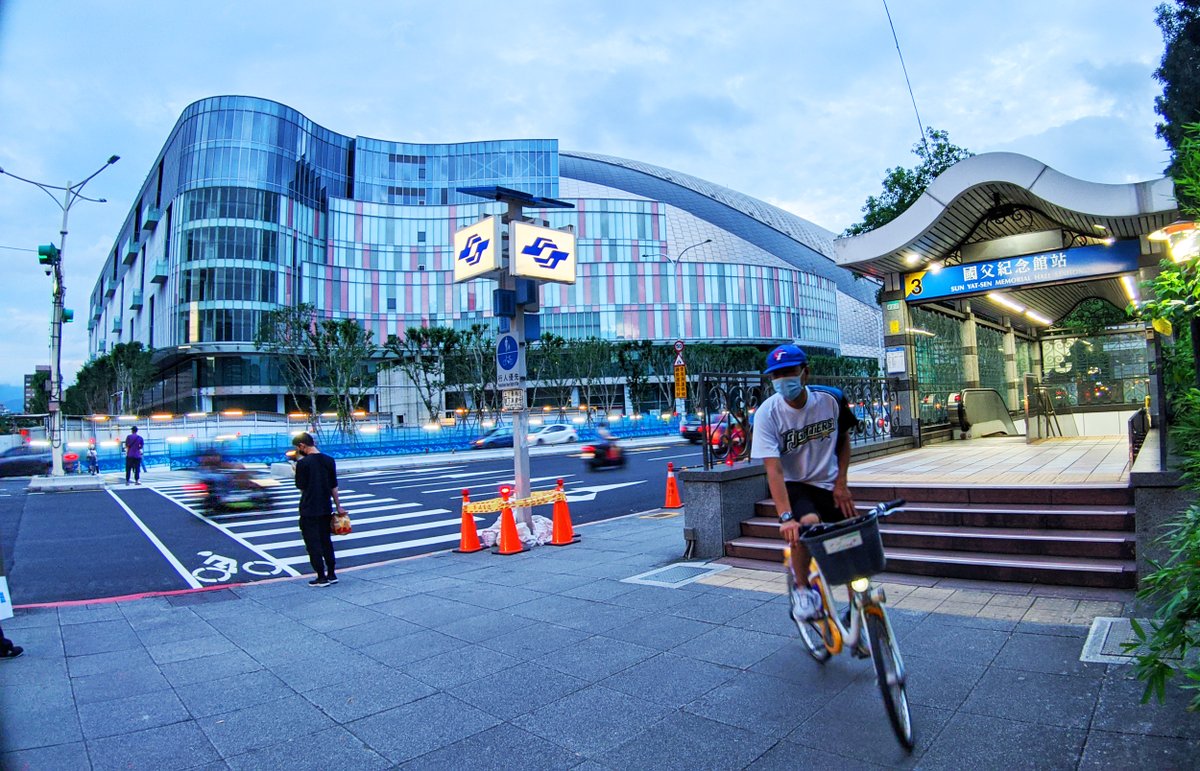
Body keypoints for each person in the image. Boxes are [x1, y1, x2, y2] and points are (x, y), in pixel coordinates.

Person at [750, 344, 858, 622]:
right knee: (806, 523)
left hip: (829, 481)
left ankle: (857, 605)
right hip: (793, 484)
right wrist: (786, 517)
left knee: (850, 535)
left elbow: (844, 438)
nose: (783, 380)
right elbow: (772, 469)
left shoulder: (830, 399)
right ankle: (802, 590)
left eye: (790, 372)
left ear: (805, 372)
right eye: (776, 375)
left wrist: (842, 483)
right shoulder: (767, 413)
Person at [292, 432, 345, 587]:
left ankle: (321, 577)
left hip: (309, 508)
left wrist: (296, 469)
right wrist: (338, 505)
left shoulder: (303, 464)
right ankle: (332, 574)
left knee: (312, 543)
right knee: (326, 541)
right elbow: (333, 486)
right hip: (325, 508)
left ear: (302, 446)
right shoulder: (329, 460)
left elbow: (301, 488)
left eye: (297, 447)